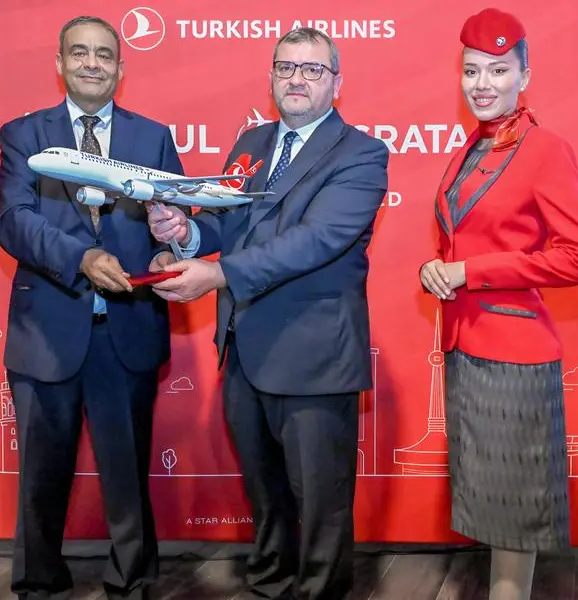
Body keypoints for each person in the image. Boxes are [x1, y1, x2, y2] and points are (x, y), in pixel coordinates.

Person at [146, 27, 388, 600]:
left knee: (321, 502)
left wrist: (218, 275)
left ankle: (322, 593)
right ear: (272, 76)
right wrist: (184, 233)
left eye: (312, 69)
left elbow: (315, 241)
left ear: (337, 83)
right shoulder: (252, 142)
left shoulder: (361, 153)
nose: (297, 79)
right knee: (266, 495)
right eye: (286, 67)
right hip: (244, 348)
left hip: (315, 356)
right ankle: (270, 582)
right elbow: (229, 224)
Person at [0, 15, 184, 600]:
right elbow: (14, 221)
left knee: (126, 474)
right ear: (59, 63)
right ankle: (38, 583)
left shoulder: (153, 138)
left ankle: (131, 582)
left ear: (121, 68)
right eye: (79, 53)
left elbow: (173, 223)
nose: (92, 63)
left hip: (127, 330)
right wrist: (80, 258)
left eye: (104, 54)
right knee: (40, 478)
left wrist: (173, 239)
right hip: (47, 331)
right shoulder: (24, 134)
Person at [417, 8, 578, 600]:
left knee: (515, 508)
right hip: (466, 349)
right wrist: (435, 268)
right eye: (472, 70)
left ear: (525, 75)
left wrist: (472, 272)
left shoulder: (545, 149)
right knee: (492, 505)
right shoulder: (472, 148)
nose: (482, 84)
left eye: (498, 70)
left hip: (515, 356)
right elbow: (460, 240)